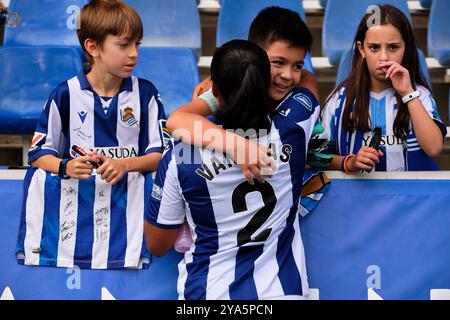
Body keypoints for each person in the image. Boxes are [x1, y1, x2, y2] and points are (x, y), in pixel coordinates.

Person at [145, 39, 319, 300]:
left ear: (214, 89)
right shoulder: (294, 128)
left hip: (208, 294)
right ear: (267, 84)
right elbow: (307, 81)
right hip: (283, 293)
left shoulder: (182, 154)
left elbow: (157, 245)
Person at [17, 0, 166, 269]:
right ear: (93, 47)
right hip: (78, 208)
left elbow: (160, 155)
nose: (134, 54)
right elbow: (38, 155)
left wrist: (125, 165)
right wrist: (66, 166)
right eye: (124, 45)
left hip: (127, 208)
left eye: (137, 45)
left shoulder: (145, 94)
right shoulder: (65, 94)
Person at [166, 6, 319, 183]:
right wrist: (236, 146)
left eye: (297, 66)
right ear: (254, 56)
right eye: (278, 62)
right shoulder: (227, 93)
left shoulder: (301, 87)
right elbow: (176, 120)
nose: (288, 75)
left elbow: (308, 78)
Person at [319, 4, 447, 173]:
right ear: (361, 49)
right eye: (374, 48)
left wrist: (408, 94)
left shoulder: (419, 95)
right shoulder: (339, 99)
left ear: (406, 48)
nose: (384, 57)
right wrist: (349, 162)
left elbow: (434, 148)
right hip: (357, 198)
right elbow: (317, 156)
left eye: (393, 47)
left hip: (410, 198)